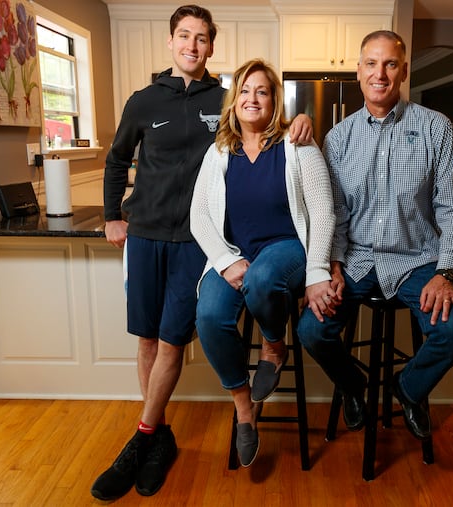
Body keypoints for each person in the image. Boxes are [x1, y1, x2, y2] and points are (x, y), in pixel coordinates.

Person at [94, 6, 312, 501]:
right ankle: (157, 436)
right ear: (171, 42)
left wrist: (302, 119)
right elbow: (116, 159)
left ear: (212, 47)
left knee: (173, 342)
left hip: (199, 243)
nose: (192, 46)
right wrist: (112, 215)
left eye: (201, 38)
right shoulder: (143, 100)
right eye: (184, 36)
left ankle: (141, 439)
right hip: (145, 234)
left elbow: (267, 126)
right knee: (147, 342)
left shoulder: (226, 100)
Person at [297, 30, 453, 441]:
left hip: (418, 260)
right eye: (372, 64)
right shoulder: (338, 138)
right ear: (359, 72)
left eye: (390, 64)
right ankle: (355, 387)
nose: (381, 73)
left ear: (404, 71)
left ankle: (407, 390)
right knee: (311, 329)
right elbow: (334, 213)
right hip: (357, 260)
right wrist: (333, 265)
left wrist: (445, 272)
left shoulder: (436, 129)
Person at [190, 59, 335, 467]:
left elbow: (323, 212)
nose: (253, 98)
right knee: (209, 316)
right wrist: (223, 261)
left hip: (287, 249)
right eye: (245, 91)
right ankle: (244, 408)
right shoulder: (219, 152)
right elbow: (198, 216)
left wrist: (318, 271)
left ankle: (274, 345)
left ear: (274, 102)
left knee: (264, 277)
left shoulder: (297, 144)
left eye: (263, 91)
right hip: (236, 254)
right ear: (234, 101)